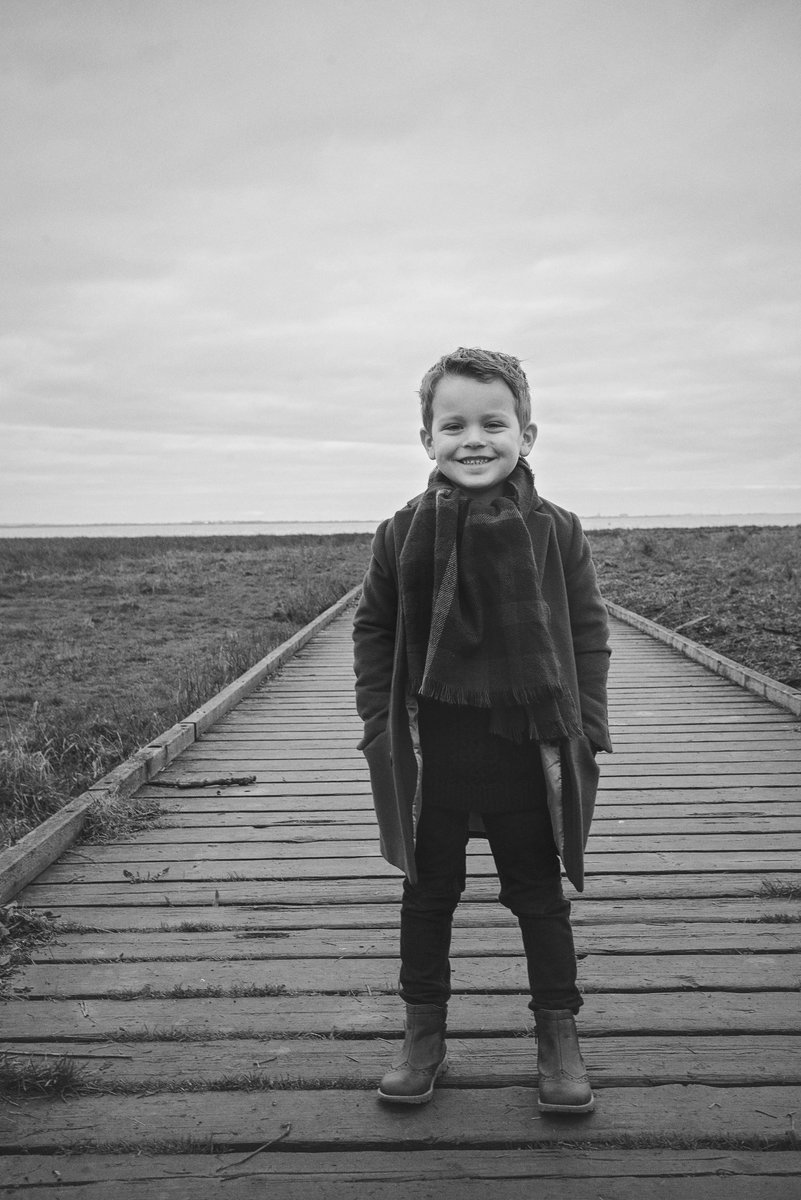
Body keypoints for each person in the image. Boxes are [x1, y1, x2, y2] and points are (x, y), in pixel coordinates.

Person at [352, 346, 611, 1114]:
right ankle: (422, 1037)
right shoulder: (400, 532)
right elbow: (373, 629)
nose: (473, 439)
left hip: (524, 749)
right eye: (453, 425)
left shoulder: (555, 530)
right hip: (431, 751)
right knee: (426, 895)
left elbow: (588, 631)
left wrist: (587, 726)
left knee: (537, 897)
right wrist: (377, 724)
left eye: (492, 423)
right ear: (426, 438)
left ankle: (558, 1037)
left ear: (524, 435)